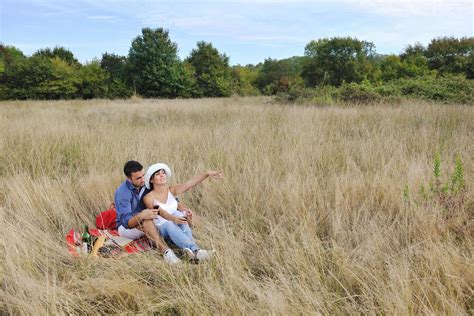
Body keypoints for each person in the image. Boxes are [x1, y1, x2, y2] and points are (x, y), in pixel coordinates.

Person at [142, 163, 223, 261]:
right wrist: (174, 219)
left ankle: (191, 252)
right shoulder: (148, 197)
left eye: (163, 173)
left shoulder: (171, 189)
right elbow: (161, 212)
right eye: (158, 174)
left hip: (177, 222)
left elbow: (189, 184)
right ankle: (196, 250)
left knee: (179, 214)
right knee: (170, 222)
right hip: (162, 227)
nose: (162, 175)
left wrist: (207, 173)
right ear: (151, 180)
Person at [114, 160, 181, 264]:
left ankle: (189, 247)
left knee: (174, 214)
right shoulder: (123, 193)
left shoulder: (146, 183)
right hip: (126, 228)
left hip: (148, 216)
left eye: (143, 175)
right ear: (129, 179)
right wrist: (141, 216)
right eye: (138, 178)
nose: (143, 180)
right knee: (147, 220)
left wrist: (180, 206)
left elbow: (166, 194)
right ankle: (166, 252)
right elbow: (127, 224)